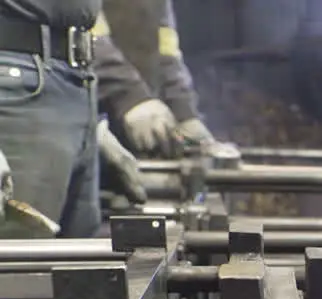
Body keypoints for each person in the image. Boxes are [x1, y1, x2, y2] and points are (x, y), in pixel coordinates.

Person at [0, 0, 108, 237]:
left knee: (79, 269)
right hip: (17, 81)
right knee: (19, 268)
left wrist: (91, 121)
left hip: (73, 79)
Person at [92, 0, 216, 158]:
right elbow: (83, 31)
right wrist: (129, 96)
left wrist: (184, 112)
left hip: (136, 119)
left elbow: (167, 50)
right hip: (86, 115)